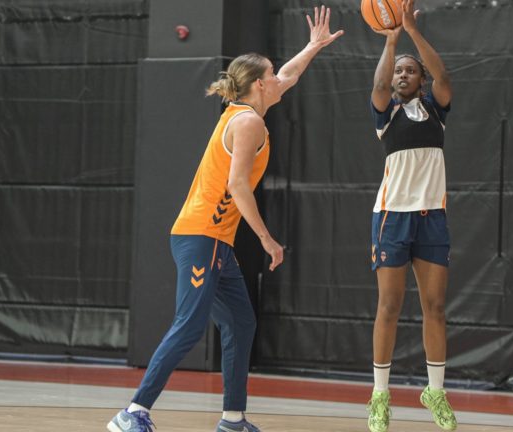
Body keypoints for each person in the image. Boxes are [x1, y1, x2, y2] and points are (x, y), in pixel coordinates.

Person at [107, 6, 343, 432]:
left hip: (215, 240)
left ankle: (233, 419)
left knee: (241, 322)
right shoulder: (249, 122)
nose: (278, 79)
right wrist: (268, 240)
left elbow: (288, 76)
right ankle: (132, 413)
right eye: (270, 74)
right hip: (202, 235)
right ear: (257, 84)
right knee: (190, 325)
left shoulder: (249, 111)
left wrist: (311, 47)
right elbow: (237, 187)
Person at [365, 1, 456, 431]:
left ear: (420, 80)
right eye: (400, 71)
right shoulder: (387, 114)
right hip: (392, 218)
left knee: (435, 307)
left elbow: (443, 77)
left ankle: (434, 391)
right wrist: (391, 39)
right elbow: (380, 83)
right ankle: (380, 397)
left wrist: (413, 30)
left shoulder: (436, 110)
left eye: (409, 71)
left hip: (431, 217)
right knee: (390, 306)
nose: (402, 75)